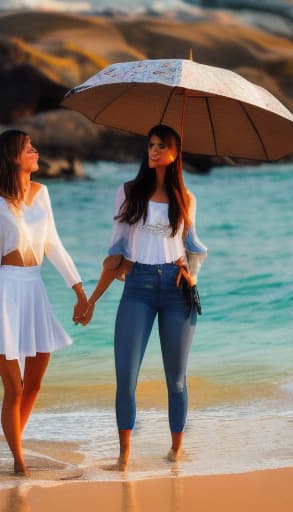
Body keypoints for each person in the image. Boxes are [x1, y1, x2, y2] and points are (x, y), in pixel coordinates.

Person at [79, 124, 207, 470]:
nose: (153, 150)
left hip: (177, 290)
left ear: (174, 152)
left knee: (176, 379)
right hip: (137, 287)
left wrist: (190, 274)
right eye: (150, 144)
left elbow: (194, 248)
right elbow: (116, 249)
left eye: (161, 145)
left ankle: (176, 452)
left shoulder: (186, 198)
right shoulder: (127, 192)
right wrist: (91, 299)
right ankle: (124, 456)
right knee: (126, 375)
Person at [0, 129, 88, 477]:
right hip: (4, 294)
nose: (35, 151)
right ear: (13, 157)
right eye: (28, 148)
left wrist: (79, 290)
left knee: (33, 384)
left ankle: (14, 441)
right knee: (14, 388)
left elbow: (54, 245)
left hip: (34, 291)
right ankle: (19, 460)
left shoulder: (42, 194)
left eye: (34, 146)